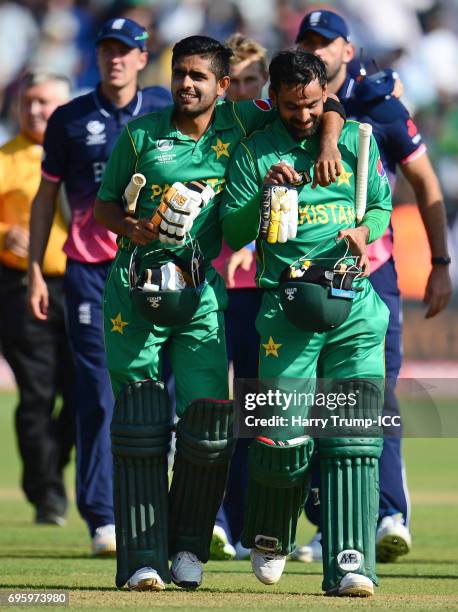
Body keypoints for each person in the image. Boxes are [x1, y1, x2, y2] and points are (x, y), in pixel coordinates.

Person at [94, 35, 345, 591]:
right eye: (180, 73)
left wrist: (329, 144)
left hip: (200, 295)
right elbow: (104, 205)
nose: (186, 84)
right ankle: (140, 558)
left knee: (208, 429)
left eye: (198, 76)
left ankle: (187, 550)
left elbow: (317, 101)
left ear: (222, 85)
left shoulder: (243, 123)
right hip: (134, 294)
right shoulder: (140, 135)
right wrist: (130, 227)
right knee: (141, 424)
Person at [220, 49, 392, 597]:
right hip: (286, 313)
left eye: (313, 105)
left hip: (355, 305)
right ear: (276, 98)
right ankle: (269, 535)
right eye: (293, 107)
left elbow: (382, 205)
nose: (304, 116)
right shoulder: (256, 151)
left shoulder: (355, 140)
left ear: (325, 96)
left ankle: (351, 564)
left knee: (354, 436)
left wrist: (366, 234)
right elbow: (233, 228)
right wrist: (269, 195)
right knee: (281, 437)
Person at [294, 9, 452, 563]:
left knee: (374, 392)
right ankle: (330, 518)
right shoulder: (291, 110)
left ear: (347, 49)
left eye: (326, 42)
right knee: (314, 399)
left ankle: (388, 512)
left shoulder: (379, 105)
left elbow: (426, 181)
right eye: (307, 42)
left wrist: (440, 261)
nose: (317, 50)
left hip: (372, 274)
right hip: (306, 275)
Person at [28, 17, 171, 556]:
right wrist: (39, 269)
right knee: (97, 393)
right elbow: (46, 199)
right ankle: (104, 517)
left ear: (141, 57)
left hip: (158, 270)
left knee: (166, 393)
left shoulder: (165, 108)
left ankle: (163, 505)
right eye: (106, 49)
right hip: (90, 271)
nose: (114, 58)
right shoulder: (69, 118)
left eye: (125, 50)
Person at [0, 70, 74, 527]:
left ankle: (50, 469)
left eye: (45, 102)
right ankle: (46, 494)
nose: (35, 110)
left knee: (84, 392)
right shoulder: (6, 158)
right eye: (29, 102)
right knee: (36, 395)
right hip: (20, 286)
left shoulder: (82, 151)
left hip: (80, 285)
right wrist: (4, 233)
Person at [210, 33, 269, 562]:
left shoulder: (275, 126)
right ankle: (210, 519)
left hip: (256, 290)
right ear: (224, 85)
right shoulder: (211, 131)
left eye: (255, 80)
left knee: (253, 410)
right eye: (239, 82)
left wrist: (251, 244)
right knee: (207, 405)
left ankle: (247, 522)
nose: (246, 91)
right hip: (209, 285)